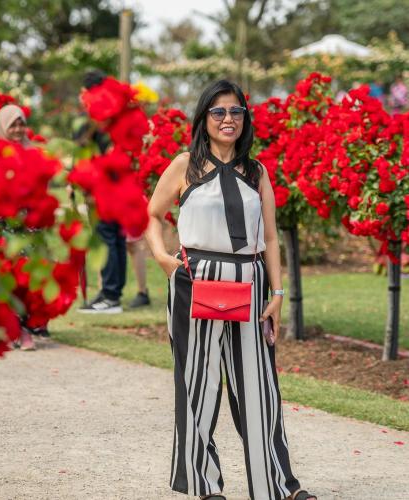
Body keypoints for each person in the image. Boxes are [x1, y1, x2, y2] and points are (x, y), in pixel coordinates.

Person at [145, 80, 316, 500]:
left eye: (236, 112)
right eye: (218, 112)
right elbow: (151, 215)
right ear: (204, 119)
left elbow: (271, 238)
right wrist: (164, 259)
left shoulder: (256, 172)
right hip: (194, 280)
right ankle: (206, 485)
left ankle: (278, 485)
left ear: (245, 118)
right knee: (198, 385)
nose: (228, 119)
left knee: (259, 388)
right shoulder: (184, 165)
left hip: (250, 283)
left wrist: (277, 295)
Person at [75, 70, 127, 314]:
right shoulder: (115, 114)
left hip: (104, 186)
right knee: (115, 238)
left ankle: (109, 296)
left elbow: (81, 146)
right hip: (119, 184)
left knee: (107, 237)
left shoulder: (95, 116)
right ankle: (112, 292)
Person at [0, 104, 39, 350]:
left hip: (27, 223)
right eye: (13, 124)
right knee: (5, 275)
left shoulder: (31, 152)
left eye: (22, 124)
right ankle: (12, 329)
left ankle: (23, 328)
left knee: (26, 276)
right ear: (2, 126)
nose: (19, 129)